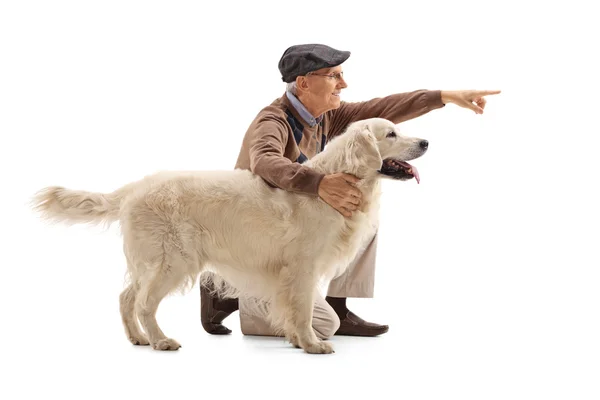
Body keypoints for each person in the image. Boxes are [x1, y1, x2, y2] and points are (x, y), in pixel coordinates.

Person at [200, 43, 500, 339]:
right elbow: (265, 161)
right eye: (334, 76)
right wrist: (318, 184)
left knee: (360, 209)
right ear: (304, 83)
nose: (343, 83)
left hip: (298, 233)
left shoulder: (327, 114)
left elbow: (382, 108)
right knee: (321, 327)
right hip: (262, 247)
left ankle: (338, 305)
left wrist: (447, 97)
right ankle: (228, 292)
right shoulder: (273, 120)